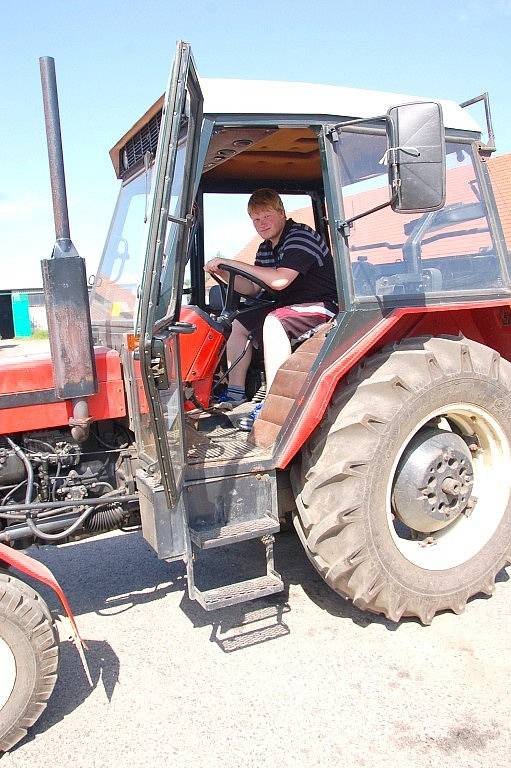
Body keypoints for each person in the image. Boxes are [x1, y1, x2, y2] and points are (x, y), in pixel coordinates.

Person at [204, 189, 338, 428]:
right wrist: (225, 273)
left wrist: (230, 261)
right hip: (288, 307)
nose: (261, 223)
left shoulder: (300, 235)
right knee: (238, 324)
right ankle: (235, 394)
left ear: (281, 213)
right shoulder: (265, 248)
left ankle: (274, 405)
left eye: (266, 216)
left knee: (274, 321)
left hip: (322, 306)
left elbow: (280, 280)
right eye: (256, 219)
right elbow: (254, 289)